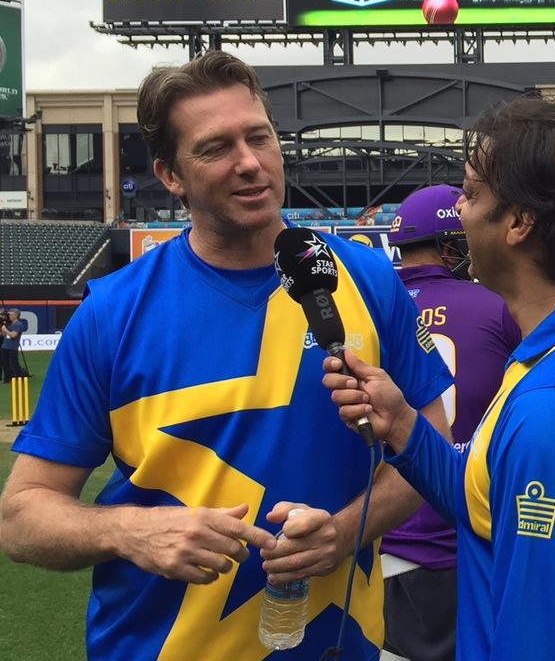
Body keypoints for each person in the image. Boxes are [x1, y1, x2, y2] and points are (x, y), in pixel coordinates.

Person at [0, 51, 453, 661]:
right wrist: (133, 532)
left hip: (338, 645)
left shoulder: (366, 279)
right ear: (170, 175)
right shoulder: (113, 313)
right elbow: (22, 516)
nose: (249, 163)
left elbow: (431, 437)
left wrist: (345, 533)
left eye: (259, 137)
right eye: (215, 148)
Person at [322, 96, 555, 660]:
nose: (461, 208)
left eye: (473, 193)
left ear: (521, 223)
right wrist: (405, 425)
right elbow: (489, 502)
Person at [380, 184, 521, 661]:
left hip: (378, 529)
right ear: (450, 245)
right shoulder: (498, 307)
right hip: (464, 533)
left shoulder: (369, 306)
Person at [1, 308, 27, 381]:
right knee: (5, 363)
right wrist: (4, 329)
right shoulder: (9, 323)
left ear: (15, 315)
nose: (9, 316)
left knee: (14, 363)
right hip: (5, 346)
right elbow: (4, 335)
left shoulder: (18, 324)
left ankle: (19, 376)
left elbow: (13, 335)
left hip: (12, 347)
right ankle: (8, 377)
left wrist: (5, 330)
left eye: (10, 314)